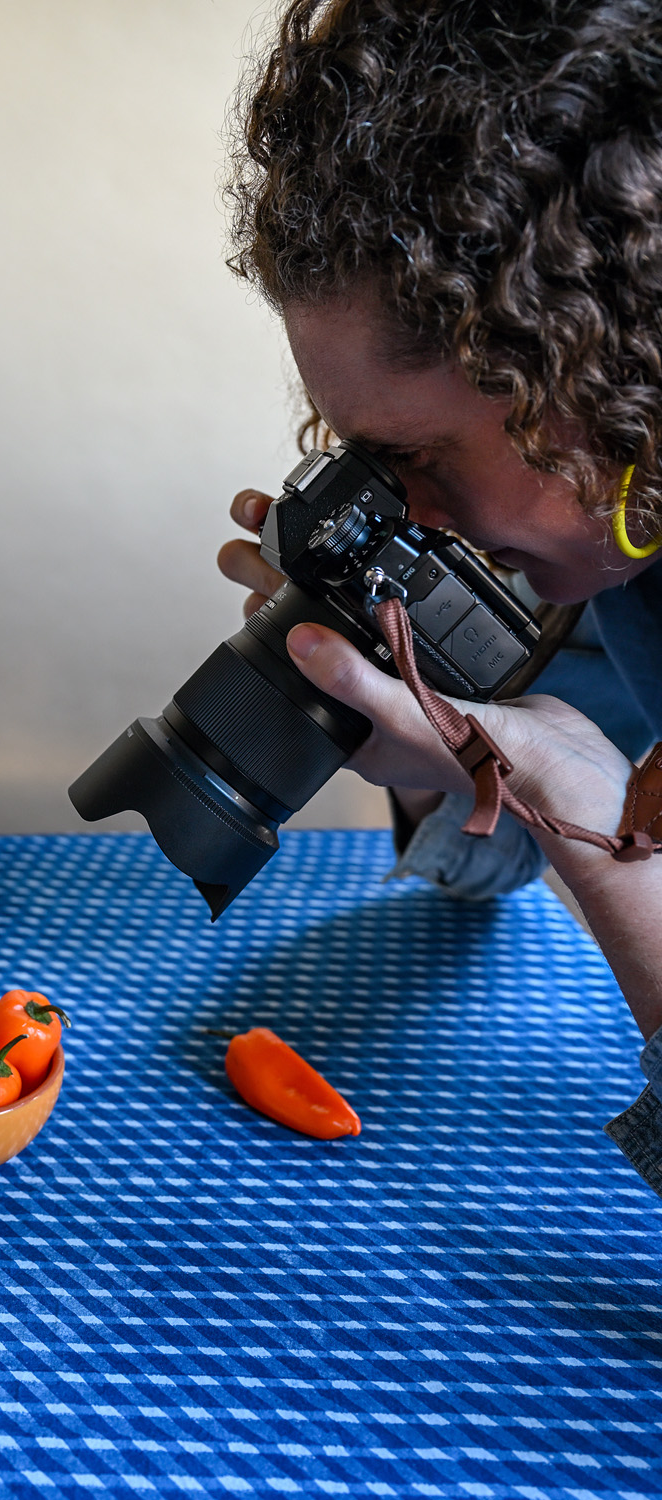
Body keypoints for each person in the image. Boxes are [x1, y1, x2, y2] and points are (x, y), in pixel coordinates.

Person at [217, 0, 662, 1194]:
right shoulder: (615, 540)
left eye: (415, 459)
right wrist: (436, 755)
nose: (400, 514)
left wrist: (592, 829)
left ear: (608, 366)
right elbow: (492, 854)